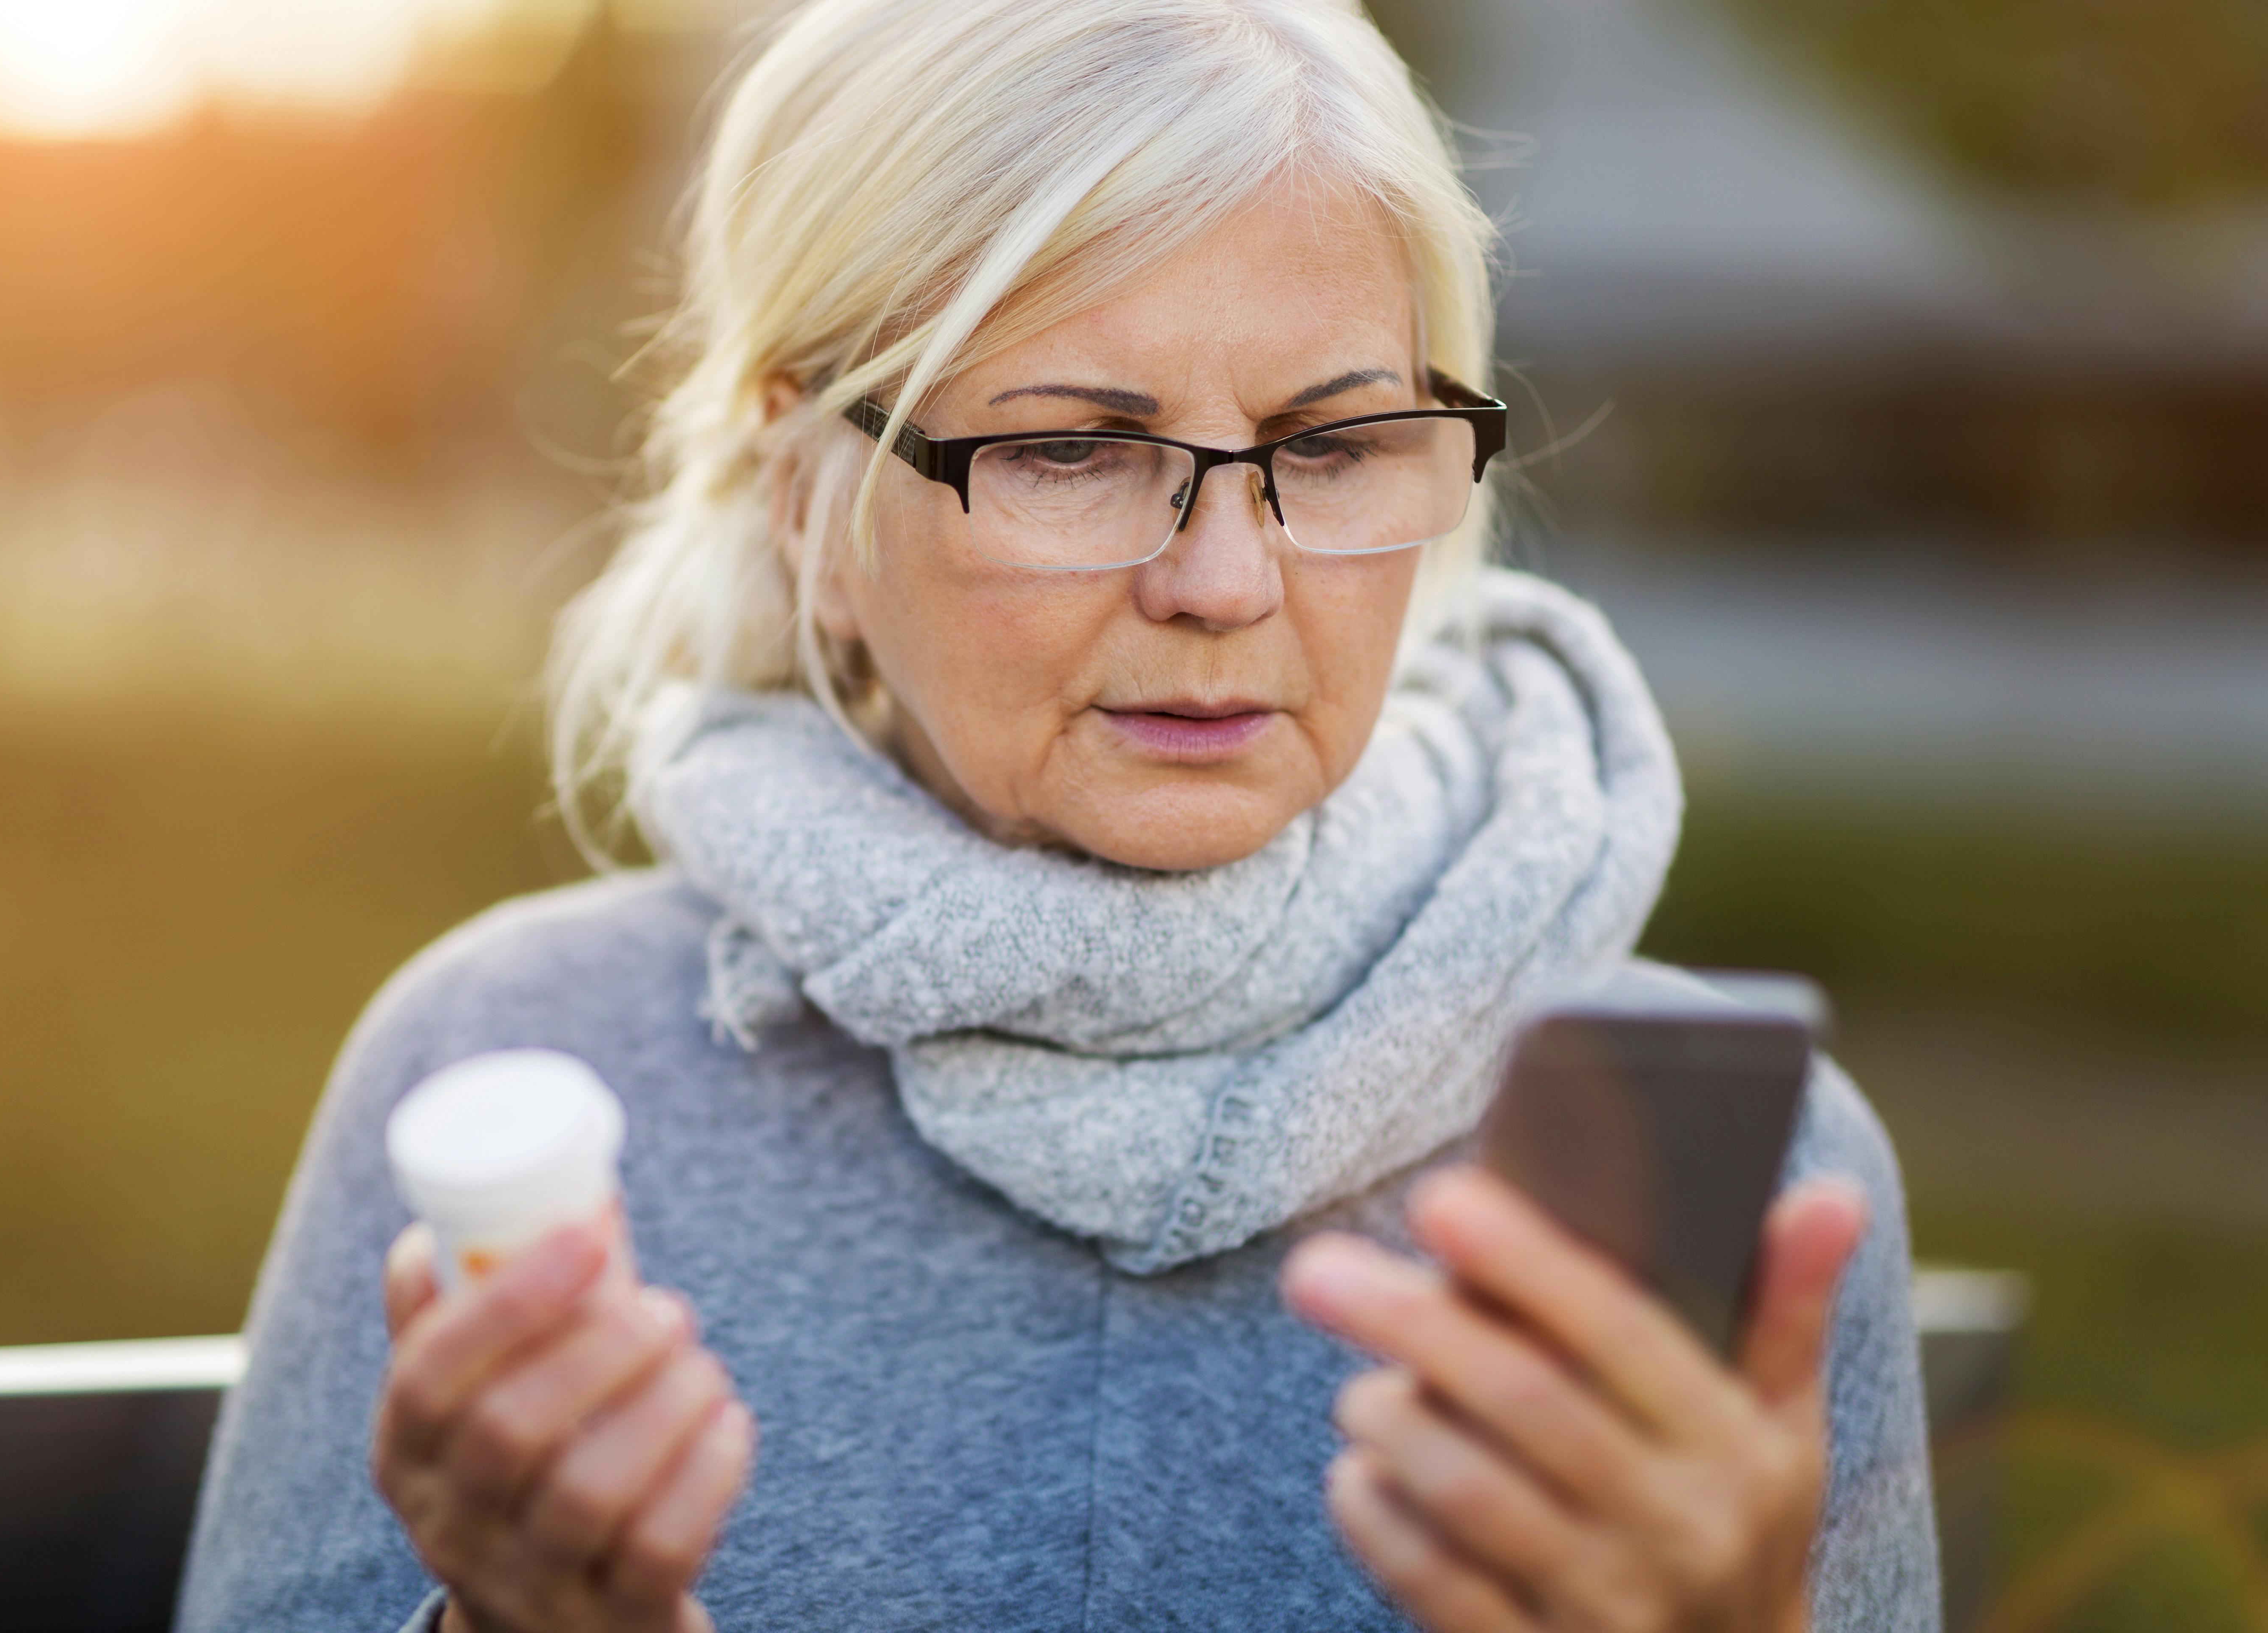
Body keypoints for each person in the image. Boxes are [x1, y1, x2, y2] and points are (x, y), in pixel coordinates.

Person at [175, 2, 1939, 1629]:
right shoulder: (504, 1084)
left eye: (1332, 448)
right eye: (1071, 449)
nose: (1225, 581)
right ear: (807, 503)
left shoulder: (1740, 1192)